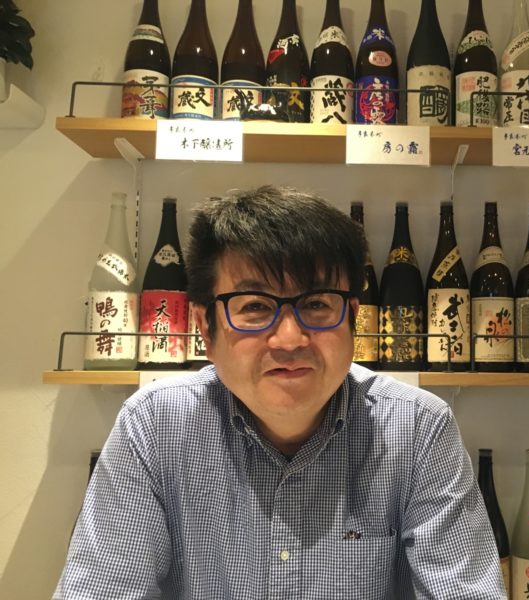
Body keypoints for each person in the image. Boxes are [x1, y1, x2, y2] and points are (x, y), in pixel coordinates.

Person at [54, 186, 505, 599]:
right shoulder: (154, 426)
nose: (289, 339)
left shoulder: (419, 429)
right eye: (254, 306)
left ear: (352, 318)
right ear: (204, 328)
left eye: (316, 304)